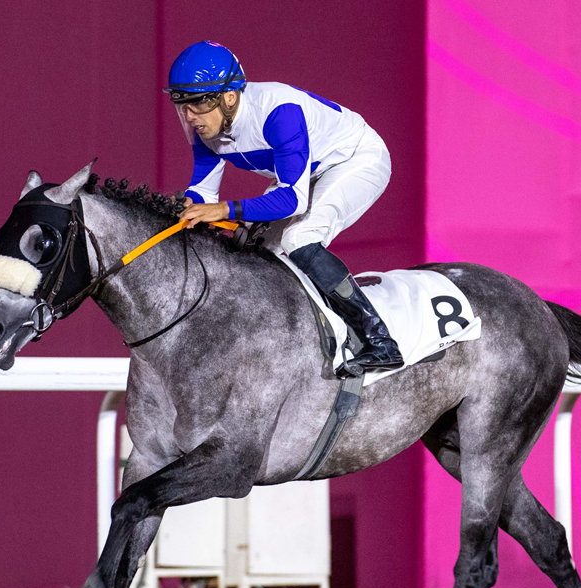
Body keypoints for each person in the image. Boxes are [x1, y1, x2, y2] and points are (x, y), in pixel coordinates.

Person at [164, 40, 403, 375]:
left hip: (356, 160)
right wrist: (185, 207)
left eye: (196, 104)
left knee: (299, 238)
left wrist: (222, 211)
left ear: (229, 97)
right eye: (181, 105)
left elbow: (292, 200)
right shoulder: (204, 127)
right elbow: (203, 190)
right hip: (307, 172)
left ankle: (378, 341)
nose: (189, 117)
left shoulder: (279, 111)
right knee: (256, 247)